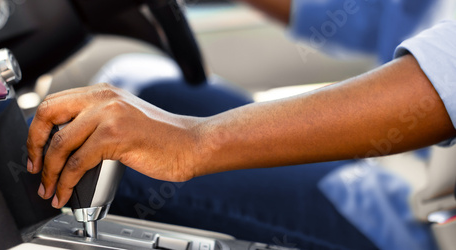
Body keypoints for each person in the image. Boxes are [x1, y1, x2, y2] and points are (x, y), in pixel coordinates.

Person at [26, 1, 456, 249]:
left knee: (99, 160)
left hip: (424, 232)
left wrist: (193, 141)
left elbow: (446, 73)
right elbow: (366, 13)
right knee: (133, 77)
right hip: (411, 178)